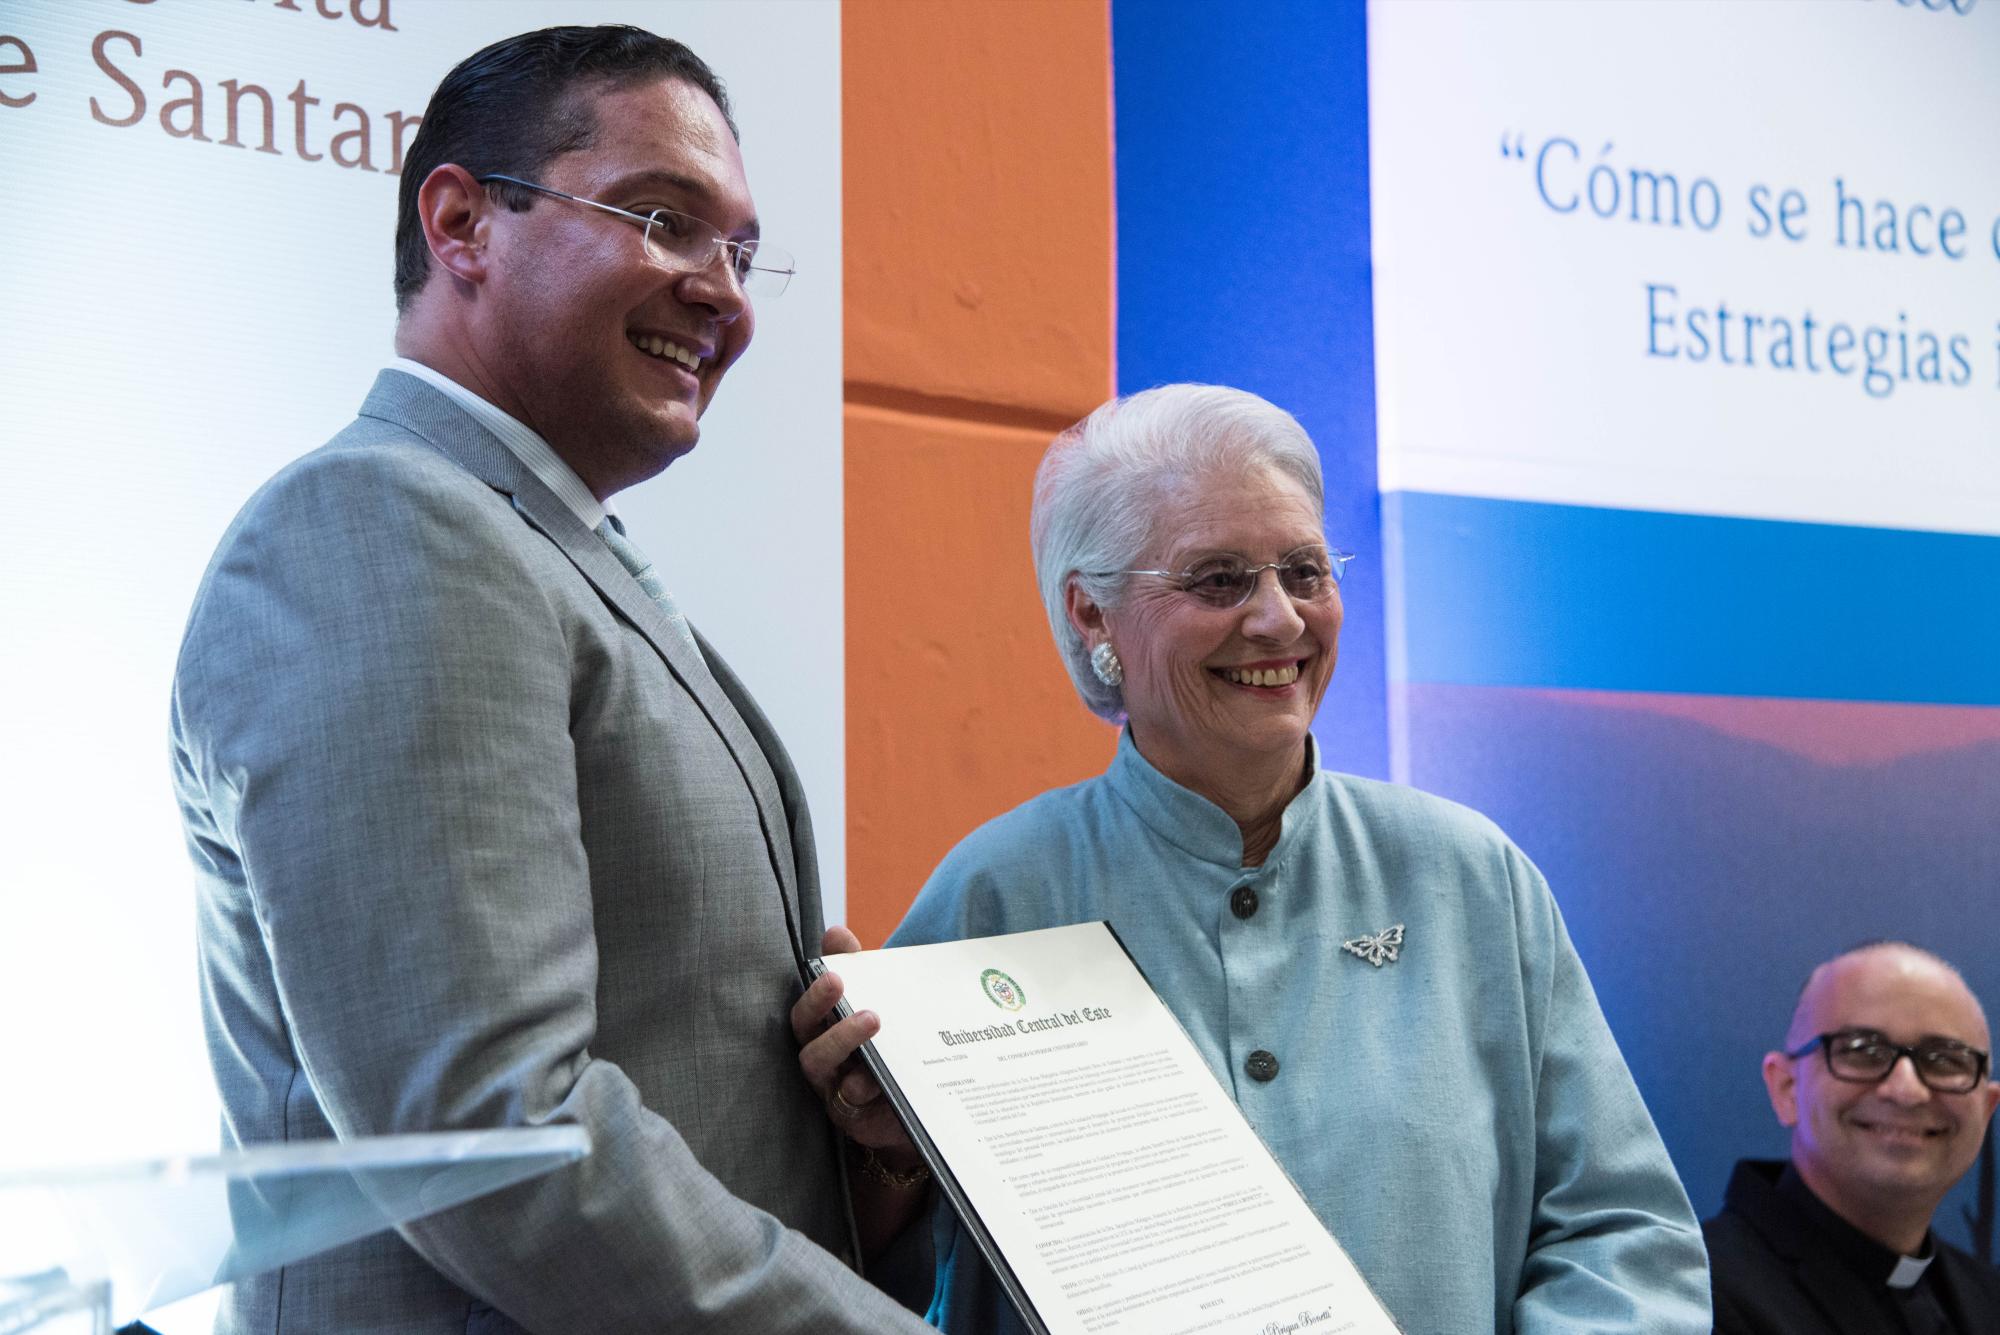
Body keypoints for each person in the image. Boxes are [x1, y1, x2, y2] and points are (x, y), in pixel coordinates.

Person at [170, 25, 931, 1333]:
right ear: (462, 221)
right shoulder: (382, 528)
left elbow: (660, 1060)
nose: (723, 291)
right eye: (663, 219)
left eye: (741, 252)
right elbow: (489, 1128)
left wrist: (849, 1144)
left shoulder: (545, 546)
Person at [795, 383, 1711, 1332]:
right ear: (1093, 613)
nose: (1279, 620)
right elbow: (873, 1278)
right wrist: (883, 1156)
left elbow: (1625, 1234)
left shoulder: (1468, 876)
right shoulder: (1001, 889)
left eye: (1306, 571)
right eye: (1220, 579)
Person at [1704, 942, 2000, 1333]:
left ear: (1986, 1107)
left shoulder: (1989, 1299)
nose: (1907, 1090)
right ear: (1786, 1089)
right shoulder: (1692, 1297)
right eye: (1862, 1050)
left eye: (1945, 1059)